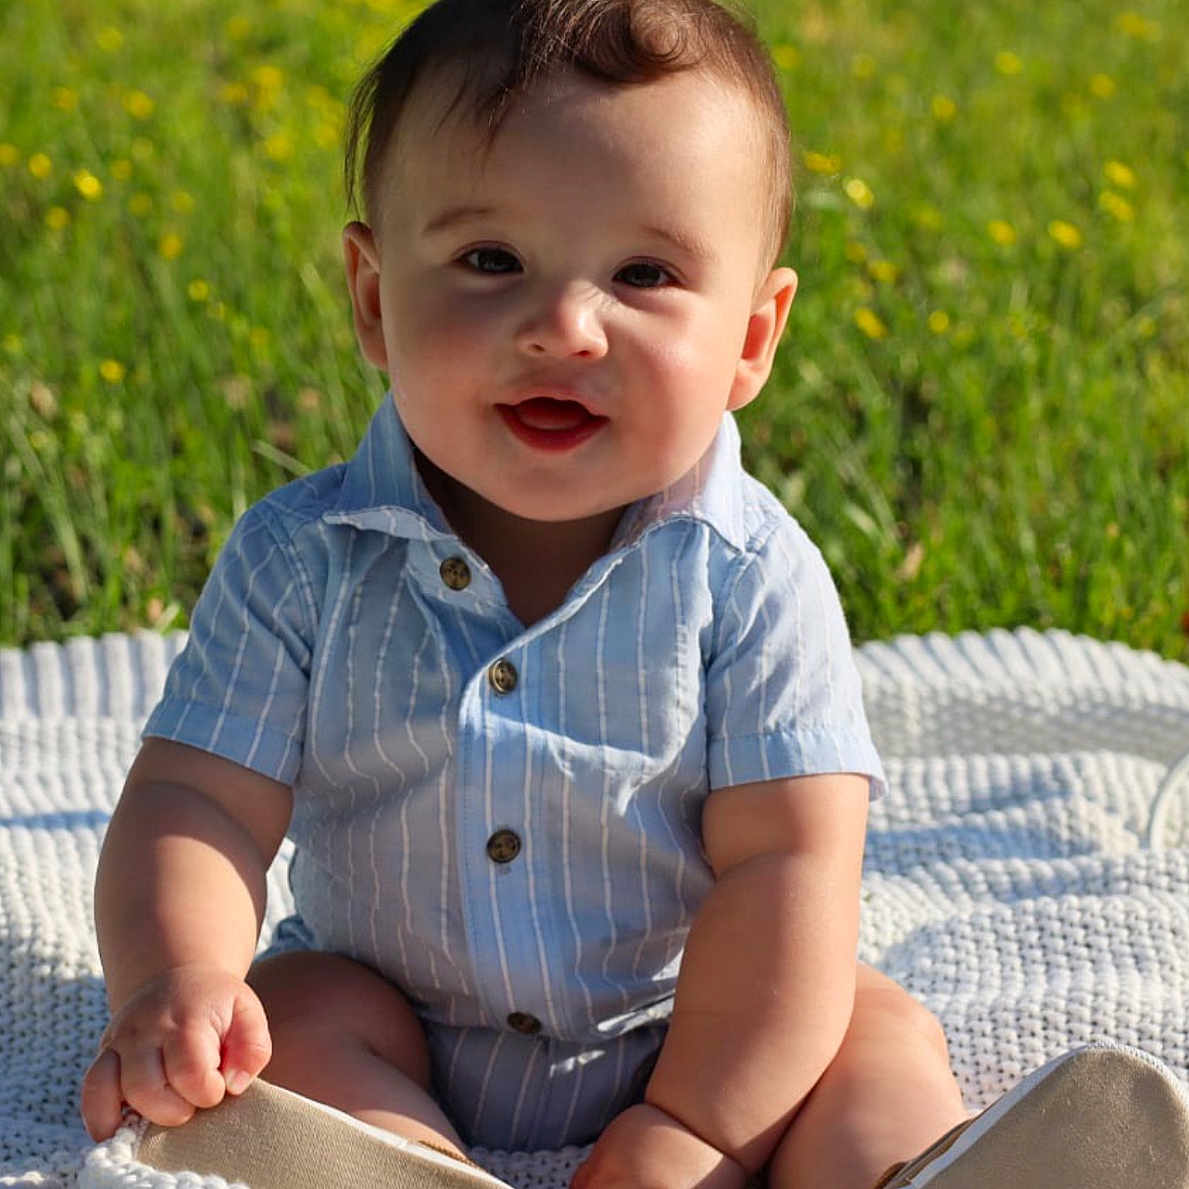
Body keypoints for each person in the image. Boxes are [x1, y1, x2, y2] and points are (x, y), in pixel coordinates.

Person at [79, 0, 975, 1184]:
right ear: (372, 298)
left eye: (643, 273)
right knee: (278, 1022)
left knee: (867, 1033)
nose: (562, 327)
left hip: (691, 1020)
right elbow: (199, 800)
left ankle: (920, 1171)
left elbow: (789, 868)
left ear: (752, 337)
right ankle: (398, 1160)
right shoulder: (303, 557)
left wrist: (698, 1124)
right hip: (391, 1012)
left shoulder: (750, 576)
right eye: (489, 260)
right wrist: (176, 978)